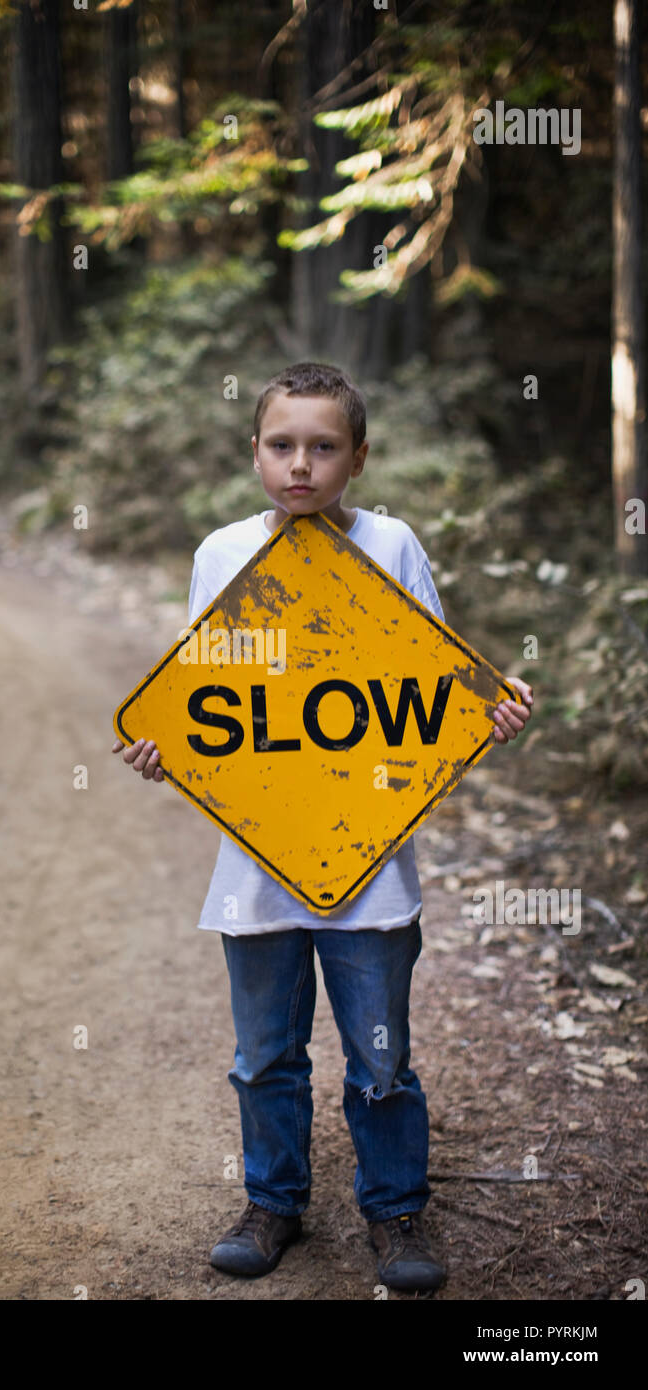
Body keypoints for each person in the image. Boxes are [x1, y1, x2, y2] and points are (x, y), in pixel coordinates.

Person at [112, 362, 533, 1292]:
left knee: (380, 1060)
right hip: (257, 863)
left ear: (357, 458)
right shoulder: (222, 554)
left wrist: (491, 702)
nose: (300, 465)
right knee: (264, 1056)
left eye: (322, 447)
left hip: (373, 862)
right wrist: (165, 748)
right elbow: (203, 698)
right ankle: (272, 1205)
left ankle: (395, 1215)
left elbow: (436, 666)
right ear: (254, 452)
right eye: (281, 445)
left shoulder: (391, 543)